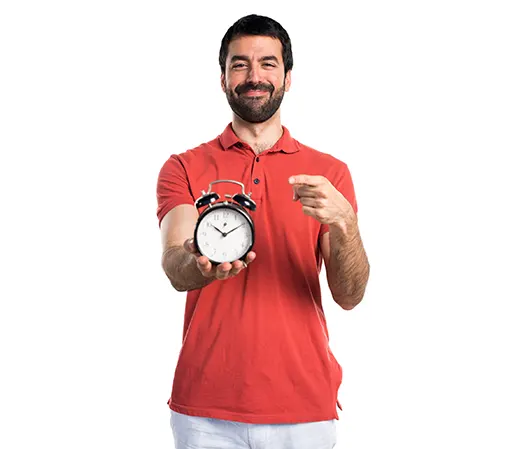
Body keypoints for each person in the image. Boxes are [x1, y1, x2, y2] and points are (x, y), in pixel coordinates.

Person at [156, 14, 370, 449]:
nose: (254, 77)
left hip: (304, 408)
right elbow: (176, 267)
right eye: (240, 65)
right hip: (205, 411)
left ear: (288, 78)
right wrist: (202, 264)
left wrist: (345, 222)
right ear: (222, 79)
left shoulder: (329, 174)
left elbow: (349, 295)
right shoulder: (183, 167)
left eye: (268, 64)